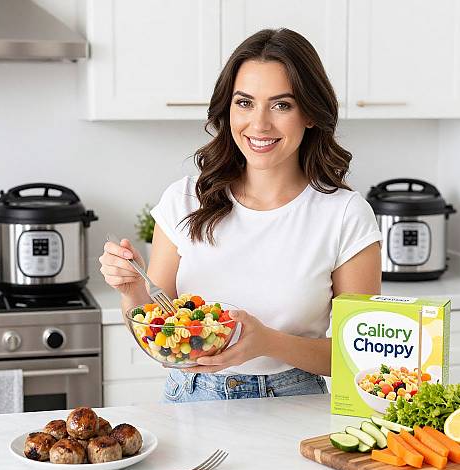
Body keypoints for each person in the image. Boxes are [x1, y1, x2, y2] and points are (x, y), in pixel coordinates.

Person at [99, 28, 382, 402]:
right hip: (188, 400)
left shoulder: (346, 215)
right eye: (244, 103)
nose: (259, 124)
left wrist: (268, 342)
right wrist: (132, 291)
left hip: (292, 402)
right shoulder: (186, 199)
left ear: (310, 114)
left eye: (282, 105)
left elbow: (360, 358)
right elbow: (159, 333)